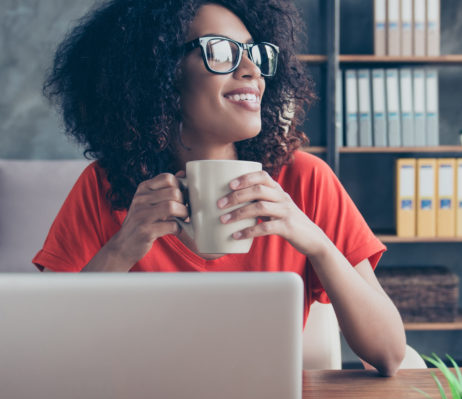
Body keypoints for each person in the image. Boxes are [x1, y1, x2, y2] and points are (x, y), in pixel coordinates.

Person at [34, 0, 406, 376]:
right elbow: (41, 347)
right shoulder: (104, 187)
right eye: (222, 52)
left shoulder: (305, 181)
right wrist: (122, 248)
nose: (251, 71)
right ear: (158, 71)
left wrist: (316, 243)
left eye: (254, 53)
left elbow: (390, 354)